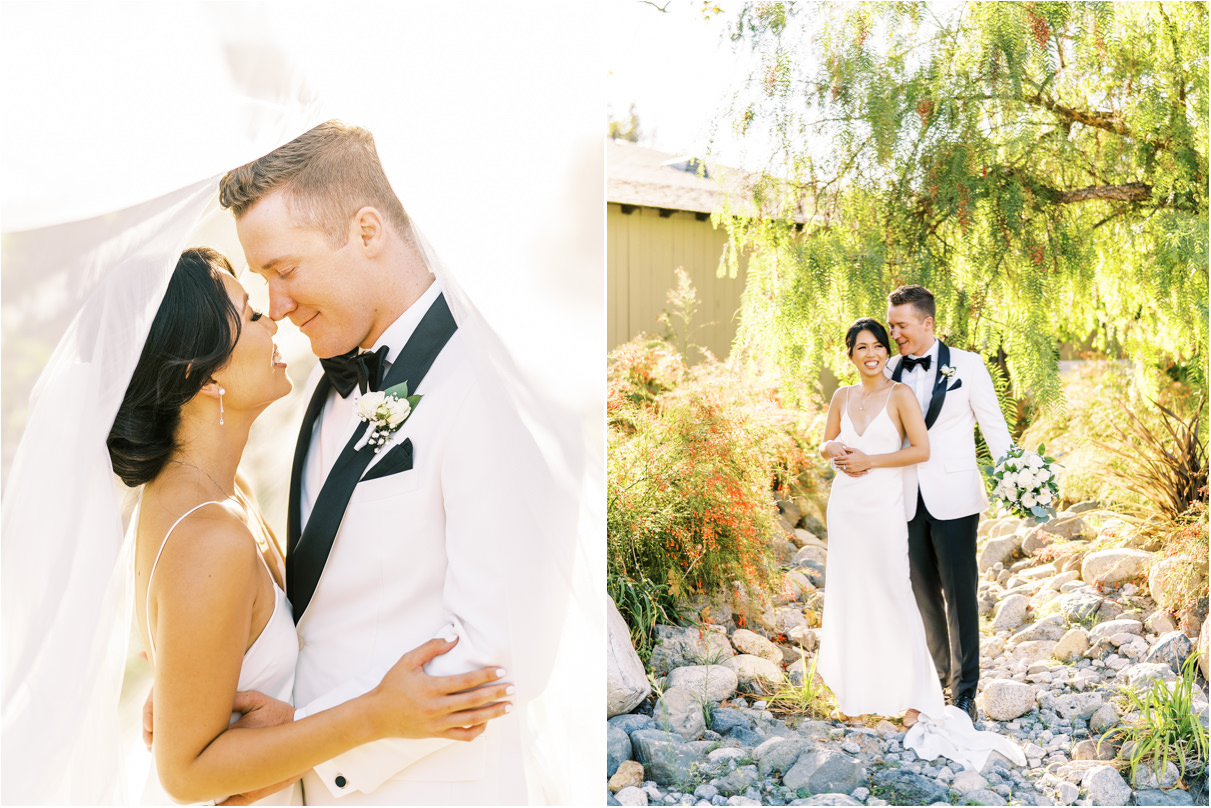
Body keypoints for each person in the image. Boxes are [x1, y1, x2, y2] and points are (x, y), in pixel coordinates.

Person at [203, 120, 566, 804]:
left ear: (367, 232)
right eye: (262, 280)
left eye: (284, 270)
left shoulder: (486, 384)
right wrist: (205, 694)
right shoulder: (321, 383)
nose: (275, 308)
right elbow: (326, 602)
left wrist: (305, 747)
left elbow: (499, 655)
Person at [114, 247, 512, 805]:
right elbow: (185, 772)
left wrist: (190, 686)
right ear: (199, 377)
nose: (272, 317)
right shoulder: (209, 537)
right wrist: (376, 714)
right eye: (251, 316)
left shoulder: (222, 494)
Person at [818, 318, 1025, 771]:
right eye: (862, 347)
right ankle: (856, 692)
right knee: (852, 595)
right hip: (848, 506)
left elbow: (923, 449)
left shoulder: (901, 393)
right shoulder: (841, 396)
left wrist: (870, 458)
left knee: (898, 595)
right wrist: (834, 451)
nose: (871, 353)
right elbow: (825, 441)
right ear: (850, 354)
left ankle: (919, 695)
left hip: (887, 505)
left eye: (879, 343)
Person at [884, 285, 1012, 723]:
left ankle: (965, 693)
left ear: (927, 322)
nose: (894, 332)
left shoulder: (969, 366)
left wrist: (1017, 476)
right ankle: (936, 679)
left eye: (900, 324)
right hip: (904, 498)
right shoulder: (886, 370)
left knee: (960, 595)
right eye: (891, 324)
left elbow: (993, 425)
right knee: (922, 595)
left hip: (955, 497)